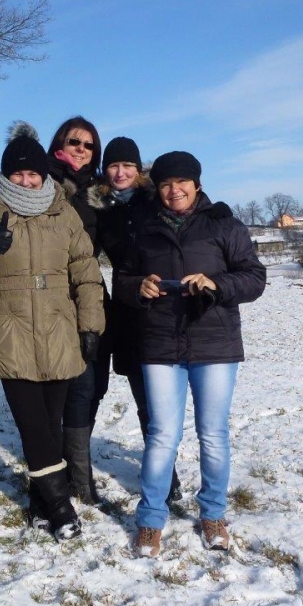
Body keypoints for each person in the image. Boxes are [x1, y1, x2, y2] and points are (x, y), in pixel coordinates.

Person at [114, 151, 265, 558]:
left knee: (212, 435)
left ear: (197, 184)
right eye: (165, 184)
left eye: (182, 182)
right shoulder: (143, 229)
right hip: (161, 345)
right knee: (162, 435)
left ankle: (213, 513)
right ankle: (150, 520)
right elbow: (122, 279)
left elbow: (254, 278)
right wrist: (137, 287)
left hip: (214, 344)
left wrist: (216, 284)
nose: (174, 190)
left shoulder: (224, 224)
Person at [0, 122, 105, 541]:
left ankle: (40, 502)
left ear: (44, 175)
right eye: (18, 174)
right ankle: (61, 507)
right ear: (6, 175)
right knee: (32, 424)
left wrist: (91, 324)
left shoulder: (63, 211)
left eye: (33, 173)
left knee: (51, 420)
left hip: (59, 328)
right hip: (10, 330)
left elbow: (86, 270)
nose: (26, 180)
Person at [89, 137, 181, 504]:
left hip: (164, 309)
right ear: (104, 171)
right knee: (144, 398)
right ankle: (164, 475)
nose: (121, 172)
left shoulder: (154, 199)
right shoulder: (99, 209)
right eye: (113, 166)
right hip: (128, 312)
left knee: (161, 402)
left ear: (138, 169)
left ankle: (165, 472)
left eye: (128, 165)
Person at [45, 116, 105, 504]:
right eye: (74, 142)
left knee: (94, 386)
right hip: (52, 299)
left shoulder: (99, 192)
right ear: (59, 144)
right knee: (71, 388)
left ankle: (74, 463)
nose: (81, 149)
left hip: (92, 296)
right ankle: (73, 477)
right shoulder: (44, 184)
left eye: (88, 145)